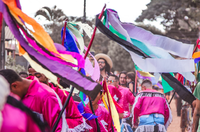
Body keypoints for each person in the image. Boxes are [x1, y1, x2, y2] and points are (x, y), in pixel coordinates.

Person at [0, 69, 68, 132]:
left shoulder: (46, 96)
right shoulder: (19, 94)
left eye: (8, 96)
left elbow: (59, 128)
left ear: (15, 86)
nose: (9, 100)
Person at [28, 66, 89, 132]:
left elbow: (78, 120)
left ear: (47, 75)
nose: (34, 80)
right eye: (30, 76)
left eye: (38, 76)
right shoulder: (25, 95)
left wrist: (59, 123)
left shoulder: (62, 95)